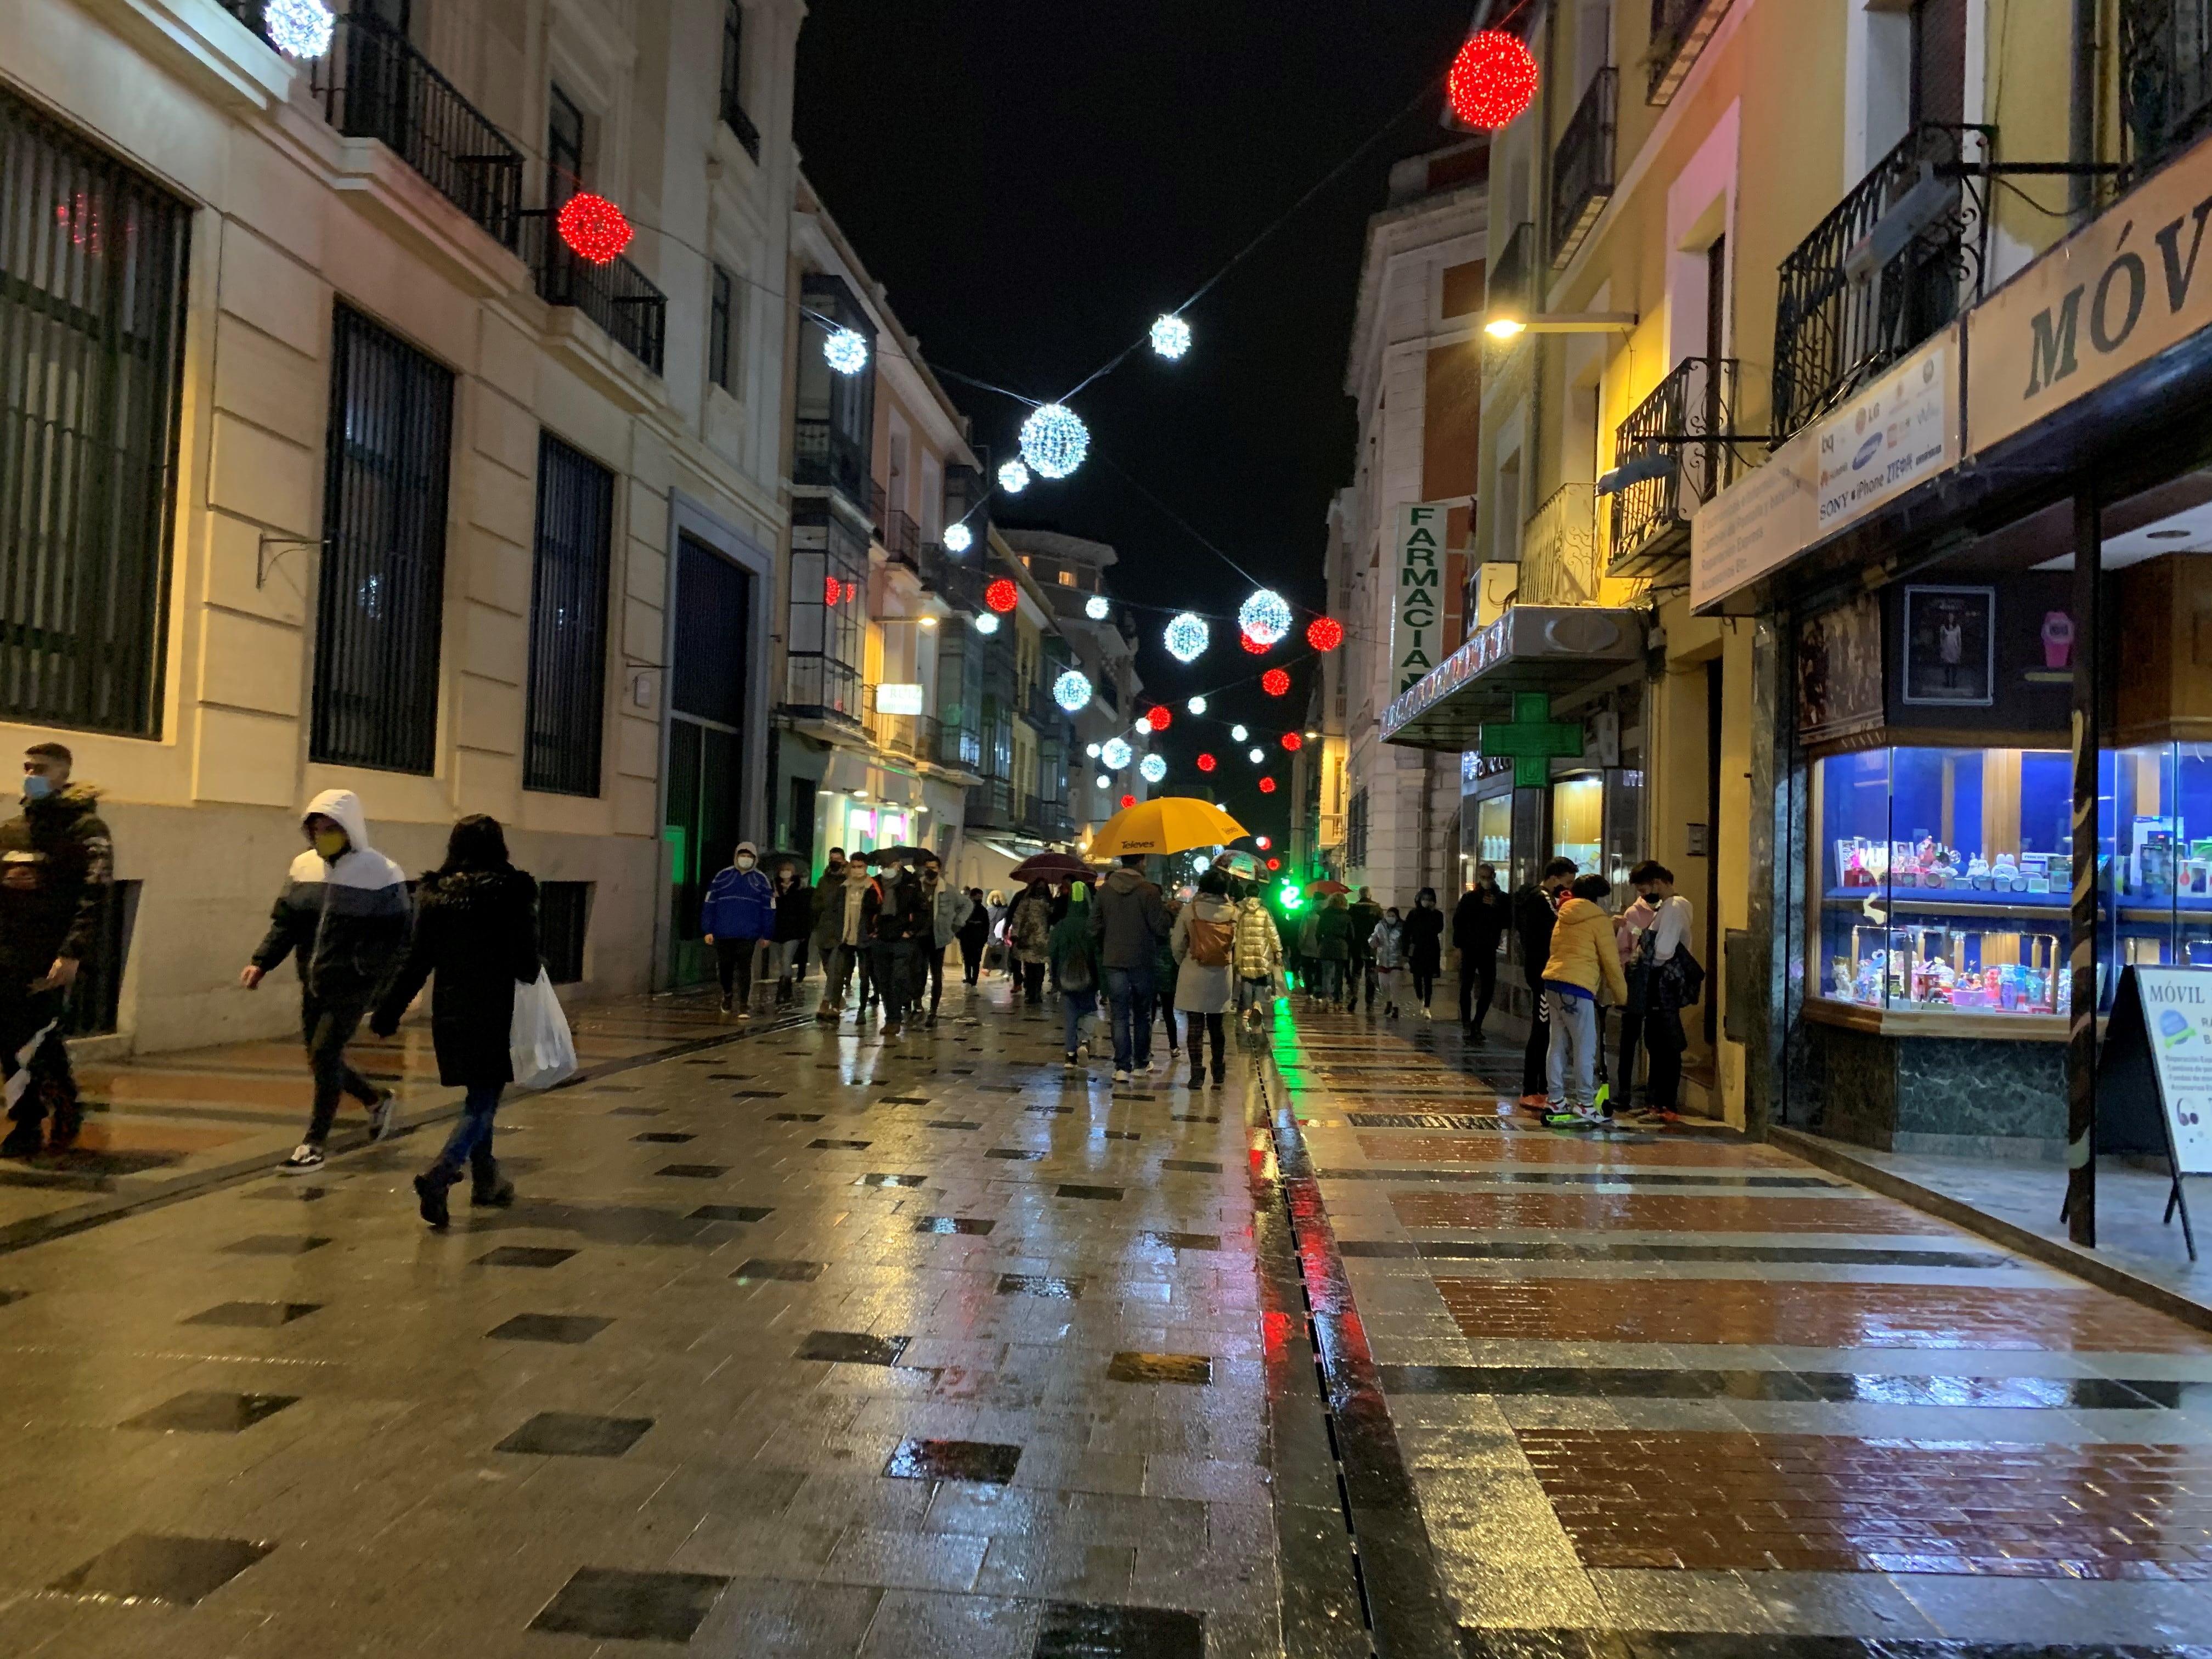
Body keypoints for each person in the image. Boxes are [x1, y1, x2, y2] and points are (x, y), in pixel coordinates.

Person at [369, 815, 539, 1227]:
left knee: (480, 1092)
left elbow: (416, 960)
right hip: (495, 1009)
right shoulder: (512, 891)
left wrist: (388, 1011)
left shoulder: (435, 895)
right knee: (483, 1100)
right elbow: (527, 962)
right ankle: (441, 1174)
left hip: (450, 1011)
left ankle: (486, 1181)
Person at [242, 789, 407, 1175]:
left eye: (333, 828)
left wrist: (379, 978)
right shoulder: (303, 867)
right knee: (320, 1058)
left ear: (351, 829)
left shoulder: (382, 873)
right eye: (317, 828)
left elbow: (399, 936)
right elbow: (286, 924)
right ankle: (376, 1099)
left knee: (326, 1053)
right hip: (313, 979)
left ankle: (314, 1143)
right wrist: (261, 962)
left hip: (353, 982)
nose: (324, 835)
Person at [0, 742, 111, 1159]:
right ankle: (27, 1119)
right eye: (28, 767)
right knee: (9, 1038)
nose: (32, 775)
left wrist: (72, 952)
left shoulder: (85, 829)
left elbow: (94, 892)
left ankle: (63, 1109)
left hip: (51, 951)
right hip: (10, 949)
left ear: (64, 773)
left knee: (39, 1036)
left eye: (41, 768)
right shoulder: (13, 828)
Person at [1540, 873, 1629, 1126]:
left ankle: (1555, 1100)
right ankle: (1586, 1103)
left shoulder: (1564, 915)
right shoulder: (1598, 920)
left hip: (1553, 984)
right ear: (1598, 898)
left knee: (1557, 1044)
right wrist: (1623, 997)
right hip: (1577, 988)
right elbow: (1611, 962)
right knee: (1585, 1048)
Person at [1092, 853, 1169, 1084]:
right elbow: (1160, 928)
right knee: (1142, 1014)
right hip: (1142, 960)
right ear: (1141, 862)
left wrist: (1106, 945)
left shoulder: (1105, 891)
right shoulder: (1149, 891)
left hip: (1114, 959)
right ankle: (1141, 1064)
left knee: (1119, 1014)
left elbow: (1093, 926)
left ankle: (1122, 1067)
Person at [1628, 861, 1695, 1120]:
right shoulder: (1668, 907)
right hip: (1662, 981)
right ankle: (1656, 1103)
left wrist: (1646, 962)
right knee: (1656, 1042)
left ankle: (1666, 1106)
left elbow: (1664, 950)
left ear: (1657, 883)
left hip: (1664, 982)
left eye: (1644, 890)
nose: (1644, 896)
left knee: (1665, 1043)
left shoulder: (1674, 907)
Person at [1513, 858, 1577, 1105]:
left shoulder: (1539, 899)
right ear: (1555, 878)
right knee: (1541, 1029)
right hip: (1542, 971)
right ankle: (1531, 1088)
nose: (1568, 888)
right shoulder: (1542, 899)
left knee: (1547, 1030)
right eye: (1567, 882)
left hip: (1541, 969)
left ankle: (1540, 1086)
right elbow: (1557, 926)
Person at [1172, 871, 1237, 1088]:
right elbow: (1236, 944)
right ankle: (1219, 1070)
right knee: (1217, 1025)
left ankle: (1197, 1074)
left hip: (1194, 972)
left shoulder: (1190, 910)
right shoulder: (1234, 913)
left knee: (1195, 1026)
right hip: (1221, 974)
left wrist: (1184, 962)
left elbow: (1177, 944)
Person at [701, 842, 775, 1015]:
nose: (746, 859)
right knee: (725, 966)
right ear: (736, 856)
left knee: (744, 967)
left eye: (749, 856)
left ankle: (743, 1003)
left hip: (748, 934)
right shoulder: (723, 877)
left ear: (755, 859)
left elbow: (769, 908)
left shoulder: (761, 880)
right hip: (723, 932)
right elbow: (710, 904)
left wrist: (767, 933)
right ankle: (728, 994)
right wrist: (708, 929)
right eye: (743, 855)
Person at [862, 854, 928, 1036]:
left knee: (898, 978)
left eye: (889, 866)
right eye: (883, 867)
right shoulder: (875, 884)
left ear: (898, 865)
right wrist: (872, 930)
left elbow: (922, 910)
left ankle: (899, 1013)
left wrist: (911, 931)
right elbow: (867, 909)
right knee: (884, 981)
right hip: (881, 938)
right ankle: (892, 1019)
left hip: (902, 939)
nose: (886, 870)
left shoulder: (911, 883)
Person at [1613, 878, 1658, 1110]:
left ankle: (1652, 1091)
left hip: (1658, 983)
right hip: (1637, 983)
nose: (1644, 892)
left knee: (1655, 1038)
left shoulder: (1667, 909)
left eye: (1645, 887)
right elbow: (1622, 950)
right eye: (1641, 889)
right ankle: (1624, 1090)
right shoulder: (1633, 913)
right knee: (1629, 1038)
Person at [1453, 866, 1511, 1039]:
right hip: (1470, 948)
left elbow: (1508, 921)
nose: (1485, 880)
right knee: (1466, 986)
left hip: (1488, 949)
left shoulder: (1502, 898)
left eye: (1488, 877)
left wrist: (1495, 907)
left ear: (1494, 876)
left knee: (1488, 988)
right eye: (1482, 877)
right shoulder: (1470, 898)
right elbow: (1458, 922)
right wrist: (1458, 946)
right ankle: (1466, 1022)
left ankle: (1477, 1023)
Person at [1048, 883, 1102, 1065]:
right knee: (1090, 1011)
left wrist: (1055, 978)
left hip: (1066, 978)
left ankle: (1070, 1055)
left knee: (1070, 1016)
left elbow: (1053, 953)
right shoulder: (1091, 926)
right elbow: (1098, 953)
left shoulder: (1061, 926)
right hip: (1089, 977)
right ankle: (1085, 1041)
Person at [921, 859, 972, 1027]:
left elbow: (967, 904)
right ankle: (916, 1005)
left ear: (939, 869)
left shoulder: (948, 890)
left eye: (933, 868)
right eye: (927, 868)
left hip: (938, 938)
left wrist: (957, 923)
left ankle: (933, 1011)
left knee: (936, 975)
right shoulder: (917, 887)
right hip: (919, 937)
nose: (930, 871)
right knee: (918, 974)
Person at [763, 860, 811, 1007]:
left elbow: (803, 913)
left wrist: (804, 932)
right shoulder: (774, 889)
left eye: (788, 871)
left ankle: (782, 991)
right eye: (783, 871)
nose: (786, 874)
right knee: (780, 962)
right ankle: (788, 989)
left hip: (793, 932)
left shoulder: (799, 890)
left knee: (786, 960)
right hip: (777, 932)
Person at [1233, 889, 1284, 1029]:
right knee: (1261, 980)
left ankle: (1247, 1009)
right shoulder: (1264, 912)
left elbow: (1234, 931)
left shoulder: (1240, 911)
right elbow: (1272, 933)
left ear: (1246, 894)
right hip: (1262, 952)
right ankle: (1257, 1004)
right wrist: (1277, 950)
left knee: (1247, 980)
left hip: (1244, 952)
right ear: (1259, 894)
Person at [810, 851, 851, 1022]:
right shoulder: (823, 881)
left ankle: (827, 1002)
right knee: (829, 969)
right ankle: (837, 998)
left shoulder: (848, 881)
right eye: (832, 859)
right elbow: (815, 903)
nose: (834, 862)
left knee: (835, 968)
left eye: (838, 860)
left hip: (840, 932)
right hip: (824, 931)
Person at [1009, 879, 1054, 1007]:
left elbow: (1054, 916)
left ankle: (1037, 991)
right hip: (1028, 939)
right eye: (1038, 887)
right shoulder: (1026, 902)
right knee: (1029, 967)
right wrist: (1015, 933)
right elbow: (1018, 917)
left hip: (1041, 939)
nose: (1040, 890)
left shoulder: (1048, 903)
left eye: (1042, 887)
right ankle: (1030, 991)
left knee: (1039, 967)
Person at [1402, 888, 1444, 1020]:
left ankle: (1427, 1006)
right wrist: (1405, 952)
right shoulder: (1413, 914)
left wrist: (1430, 913)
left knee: (1428, 979)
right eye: (1424, 899)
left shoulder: (1437, 915)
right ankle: (1420, 998)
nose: (1427, 901)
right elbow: (1406, 933)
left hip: (1431, 949)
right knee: (1417, 977)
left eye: (1430, 899)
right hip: (1417, 949)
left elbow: (1439, 928)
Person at [1154, 890, 1184, 1064]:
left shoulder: (1155, 932)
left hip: (1152, 975)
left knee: (1149, 1014)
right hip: (1169, 978)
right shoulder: (1176, 936)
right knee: (1168, 1013)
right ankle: (1174, 1046)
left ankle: (1146, 1049)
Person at [1346, 886, 1384, 1012]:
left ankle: (1354, 995)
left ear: (1360, 895)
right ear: (1370, 895)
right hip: (1372, 945)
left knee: (1356, 972)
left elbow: (1349, 927)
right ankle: (1370, 1002)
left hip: (1357, 944)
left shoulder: (1353, 909)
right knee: (1371, 973)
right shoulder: (1377, 909)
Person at [1369, 905, 1407, 1019]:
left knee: (1395, 986)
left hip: (1397, 961)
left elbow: (1406, 942)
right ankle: (1389, 1001)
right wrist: (1373, 941)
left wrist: (1406, 958)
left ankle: (1395, 1008)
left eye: (1393, 916)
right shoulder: (1380, 926)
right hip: (1383, 960)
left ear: (1397, 917)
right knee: (1383, 985)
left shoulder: (1402, 927)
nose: (1390, 917)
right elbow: (1373, 938)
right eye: (1389, 915)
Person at [1314, 893, 1352, 1004]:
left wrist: (1320, 943)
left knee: (1326, 973)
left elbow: (1318, 932)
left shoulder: (1324, 914)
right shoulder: (1347, 916)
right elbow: (1351, 934)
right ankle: (1337, 997)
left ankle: (1326, 996)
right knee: (1339, 974)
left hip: (1326, 944)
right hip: (1341, 946)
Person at [956, 887, 990, 985]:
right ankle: (968, 977)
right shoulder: (966, 909)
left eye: (981, 897)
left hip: (978, 939)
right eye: (978, 897)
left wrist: (984, 938)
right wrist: (960, 935)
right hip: (967, 937)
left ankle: (974, 979)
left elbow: (986, 926)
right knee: (967, 959)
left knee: (976, 960)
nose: (979, 899)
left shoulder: (983, 911)